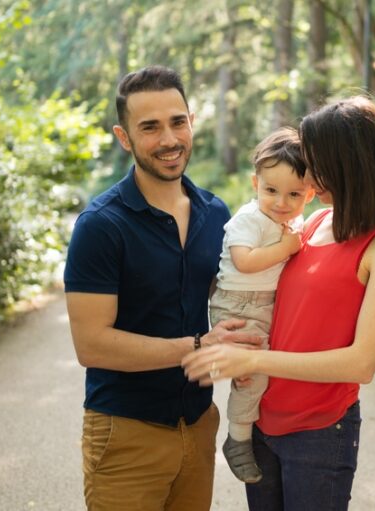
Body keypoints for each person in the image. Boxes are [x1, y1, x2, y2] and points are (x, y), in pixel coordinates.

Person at [182, 95, 375, 510]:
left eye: (315, 161)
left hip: (319, 431)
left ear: (348, 163)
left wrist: (254, 362)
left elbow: (361, 363)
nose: (308, 173)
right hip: (263, 420)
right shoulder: (314, 221)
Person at [63, 65, 260, 511]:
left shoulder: (216, 212)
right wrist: (197, 346)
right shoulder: (100, 226)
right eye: (150, 127)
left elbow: (224, 298)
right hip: (126, 432)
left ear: (191, 121)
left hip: (198, 424)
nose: (169, 139)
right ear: (124, 136)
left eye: (178, 122)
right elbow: (91, 345)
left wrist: (245, 348)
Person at [212, 127, 315, 484]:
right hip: (238, 305)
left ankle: (250, 428)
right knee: (251, 375)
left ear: (311, 194)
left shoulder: (293, 222)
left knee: (260, 370)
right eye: (271, 190)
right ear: (255, 183)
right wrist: (286, 249)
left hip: (265, 304)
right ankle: (237, 439)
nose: (281, 202)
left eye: (294, 194)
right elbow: (245, 261)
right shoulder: (249, 219)